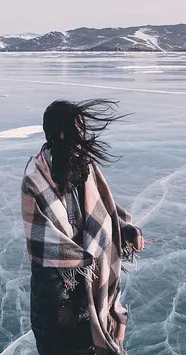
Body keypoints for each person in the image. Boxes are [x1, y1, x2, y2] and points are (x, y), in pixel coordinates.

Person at [21, 99, 144, 355]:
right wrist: (64, 300)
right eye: (79, 129)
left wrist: (124, 230)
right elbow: (44, 249)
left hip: (90, 291)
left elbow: (99, 215)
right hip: (57, 300)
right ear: (62, 133)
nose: (84, 136)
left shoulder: (84, 168)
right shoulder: (35, 180)